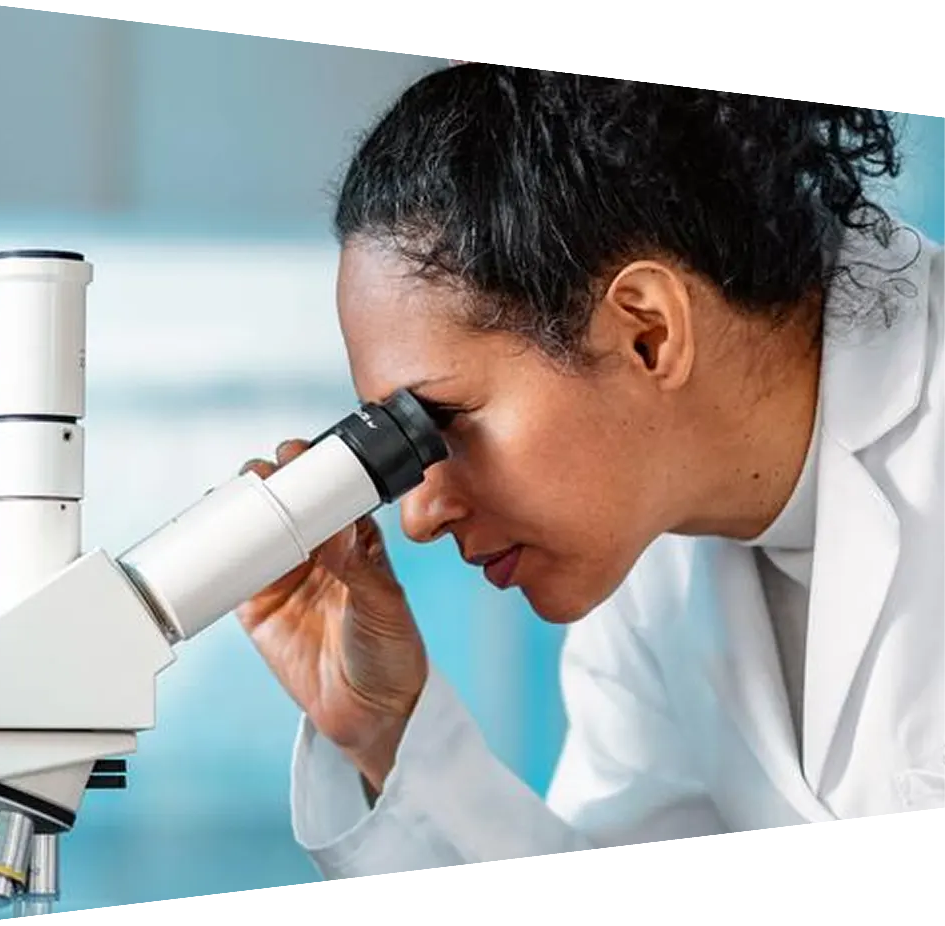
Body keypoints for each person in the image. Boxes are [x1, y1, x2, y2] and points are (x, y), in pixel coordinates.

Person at [237, 63, 945, 883]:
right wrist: (383, 732)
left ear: (648, 332)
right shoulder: (656, 550)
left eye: (444, 419)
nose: (419, 516)